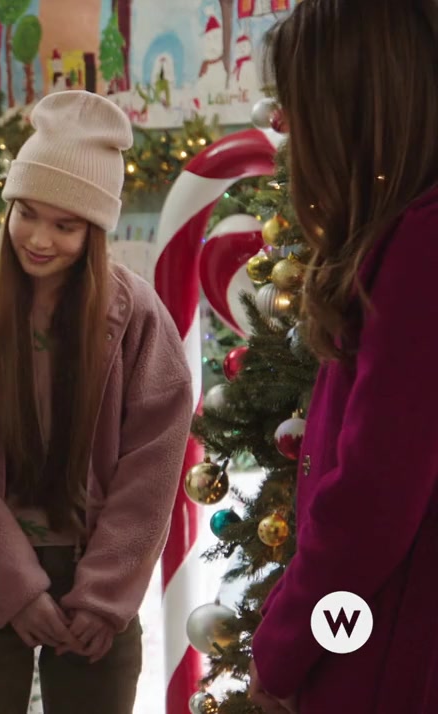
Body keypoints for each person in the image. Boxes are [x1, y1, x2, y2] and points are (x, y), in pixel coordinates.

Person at [0, 91, 194, 714]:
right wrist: (13, 588)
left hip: (97, 574)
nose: (38, 239)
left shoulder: (138, 315)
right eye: (27, 214)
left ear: (95, 231)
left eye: (65, 225)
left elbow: (152, 465)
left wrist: (104, 596)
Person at [247, 3, 438, 713]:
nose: (287, 129)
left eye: (299, 107)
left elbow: (374, 503)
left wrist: (285, 651)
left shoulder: (423, 245)